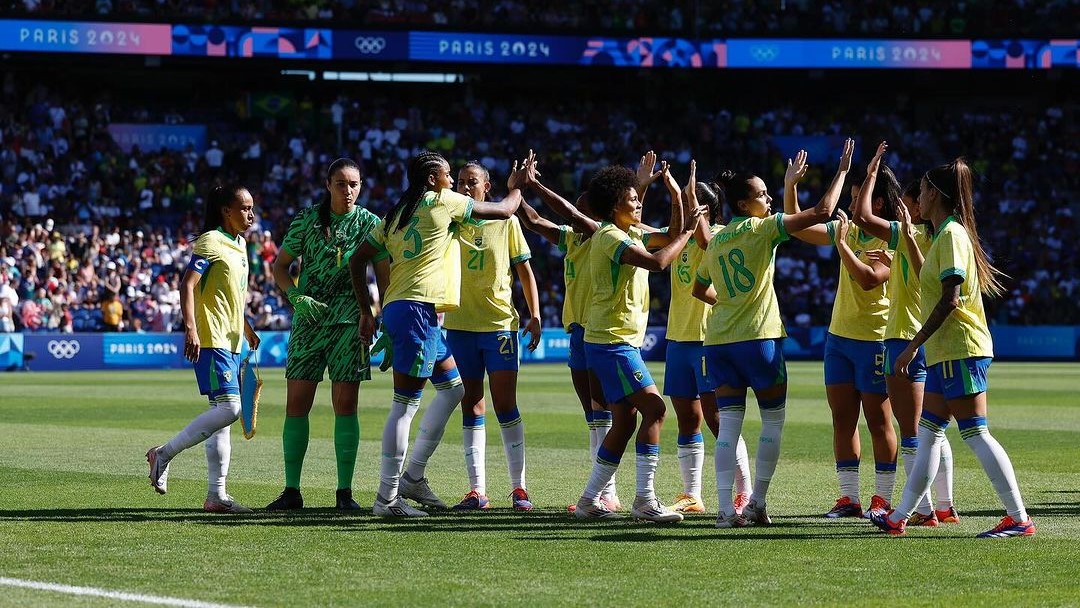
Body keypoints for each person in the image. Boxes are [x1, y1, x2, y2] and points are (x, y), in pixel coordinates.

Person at [349, 150, 526, 517]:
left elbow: (357, 258)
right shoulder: (443, 201)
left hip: (409, 309)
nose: (453, 181)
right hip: (416, 310)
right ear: (433, 179)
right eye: (448, 175)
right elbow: (506, 209)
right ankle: (387, 499)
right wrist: (518, 187)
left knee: (455, 389)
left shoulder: (396, 213)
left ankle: (412, 475)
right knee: (404, 405)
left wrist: (370, 309)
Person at [871, 159, 1035, 538]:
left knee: (976, 433)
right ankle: (899, 518)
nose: (918, 198)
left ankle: (1019, 517)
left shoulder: (951, 235)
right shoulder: (944, 234)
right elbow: (930, 278)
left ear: (938, 196)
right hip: (947, 353)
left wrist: (912, 346)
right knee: (928, 434)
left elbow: (951, 300)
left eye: (924, 191)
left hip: (960, 348)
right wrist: (910, 240)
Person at [694, 144, 849, 528]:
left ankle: (725, 512)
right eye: (762, 195)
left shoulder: (714, 241)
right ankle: (757, 502)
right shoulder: (762, 228)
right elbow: (822, 213)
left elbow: (700, 289)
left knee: (728, 427)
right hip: (758, 339)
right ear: (745, 205)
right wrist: (839, 171)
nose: (768, 200)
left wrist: (730, 302)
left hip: (718, 341)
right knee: (772, 421)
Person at [569, 162, 701, 523]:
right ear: (614, 206)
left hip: (609, 341)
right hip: (613, 342)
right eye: (631, 199)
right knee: (656, 410)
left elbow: (669, 234)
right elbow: (659, 262)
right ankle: (644, 501)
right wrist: (689, 231)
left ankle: (588, 502)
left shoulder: (629, 232)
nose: (638, 203)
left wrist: (675, 197)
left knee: (625, 422)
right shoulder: (612, 237)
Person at [784, 141, 898, 519]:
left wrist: (841, 243)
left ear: (877, 203)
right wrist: (790, 185)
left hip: (874, 338)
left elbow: (868, 280)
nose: (851, 205)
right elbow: (798, 225)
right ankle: (849, 498)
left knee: (879, 421)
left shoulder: (892, 237)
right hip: (839, 338)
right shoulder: (846, 228)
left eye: (856, 197)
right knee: (842, 419)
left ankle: (881, 499)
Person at [851, 142, 958, 526]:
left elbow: (862, 216)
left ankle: (923, 510)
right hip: (934, 338)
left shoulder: (906, 235)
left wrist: (870, 175)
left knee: (914, 432)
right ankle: (944, 506)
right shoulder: (943, 237)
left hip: (904, 338)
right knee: (935, 429)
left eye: (917, 199)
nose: (915, 205)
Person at [265, 158, 381, 511]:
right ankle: (291, 491)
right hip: (309, 324)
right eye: (341, 184)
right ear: (328, 184)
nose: (348, 191)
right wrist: (296, 296)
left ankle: (344, 493)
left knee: (346, 406)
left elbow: (385, 276)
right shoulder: (306, 220)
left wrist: (381, 317)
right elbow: (280, 267)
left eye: (354, 185)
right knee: (296, 405)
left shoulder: (370, 224)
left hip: (351, 324)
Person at [146, 184, 260, 513]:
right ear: (226, 211)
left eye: (252, 208)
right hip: (212, 338)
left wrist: (247, 328)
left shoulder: (240, 244)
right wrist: (191, 327)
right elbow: (187, 283)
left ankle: (216, 496)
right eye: (244, 208)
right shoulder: (210, 240)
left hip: (233, 338)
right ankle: (163, 453)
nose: (250, 214)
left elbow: (232, 295)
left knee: (220, 418)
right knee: (230, 409)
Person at [514, 172, 620, 511]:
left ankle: (609, 493)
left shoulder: (600, 235)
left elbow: (570, 216)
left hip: (598, 330)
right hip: (577, 330)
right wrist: (516, 190)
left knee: (603, 412)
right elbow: (532, 220)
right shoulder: (572, 239)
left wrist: (536, 184)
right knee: (593, 415)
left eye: (581, 208)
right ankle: (601, 491)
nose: (574, 213)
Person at [443, 161, 542, 511]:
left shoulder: (507, 221)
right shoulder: (450, 221)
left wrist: (535, 314)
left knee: (505, 405)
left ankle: (519, 488)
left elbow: (525, 271)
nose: (466, 187)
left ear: (487, 186)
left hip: (500, 325)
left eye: (473, 182)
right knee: (471, 403)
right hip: (459, 325)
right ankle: (477, 491)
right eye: (460, 182)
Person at [663, 162, 752, 515]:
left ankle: (743, 490)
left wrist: (693, 210)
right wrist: (673, 190)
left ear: (706, 208)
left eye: (690, 202)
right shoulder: (678, 236)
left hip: (706, 338)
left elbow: (704, 240)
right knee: (687, 418)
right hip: (677, 337)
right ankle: (692, 494)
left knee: (718, 419)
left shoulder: (717, 235)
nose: (684, 208)